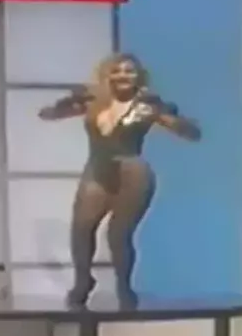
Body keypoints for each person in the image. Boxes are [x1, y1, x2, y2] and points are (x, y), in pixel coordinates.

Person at [37, 53, 201, 308]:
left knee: (118, 234)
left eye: (129, 70)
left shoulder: (147, 106)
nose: (123, 75)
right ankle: (83, 281)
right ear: (108, 75)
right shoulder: (93, 102)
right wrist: (68, 102)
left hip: (132, 173)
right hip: (97, 171)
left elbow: (192, 134)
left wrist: (163, 114)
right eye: (117, 70)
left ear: (139, 76)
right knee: (81, 228)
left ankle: (124, 286)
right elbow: (46, 114)